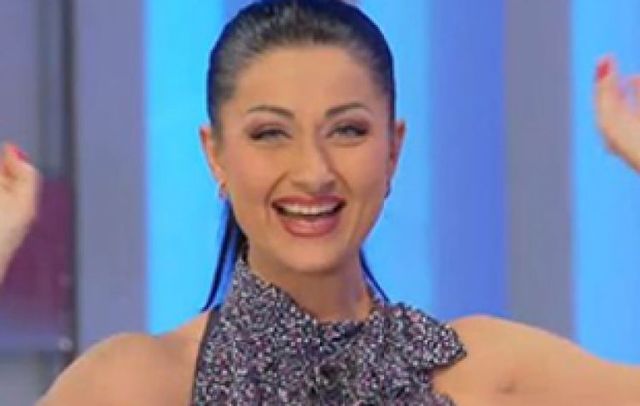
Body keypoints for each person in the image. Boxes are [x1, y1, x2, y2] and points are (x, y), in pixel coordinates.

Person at [1, 0, 639, 404]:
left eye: (348, 130)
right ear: (215, 153)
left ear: (393, 149)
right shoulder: (137, 384)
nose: (313, 171)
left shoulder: (482, 370)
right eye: (270, 133)